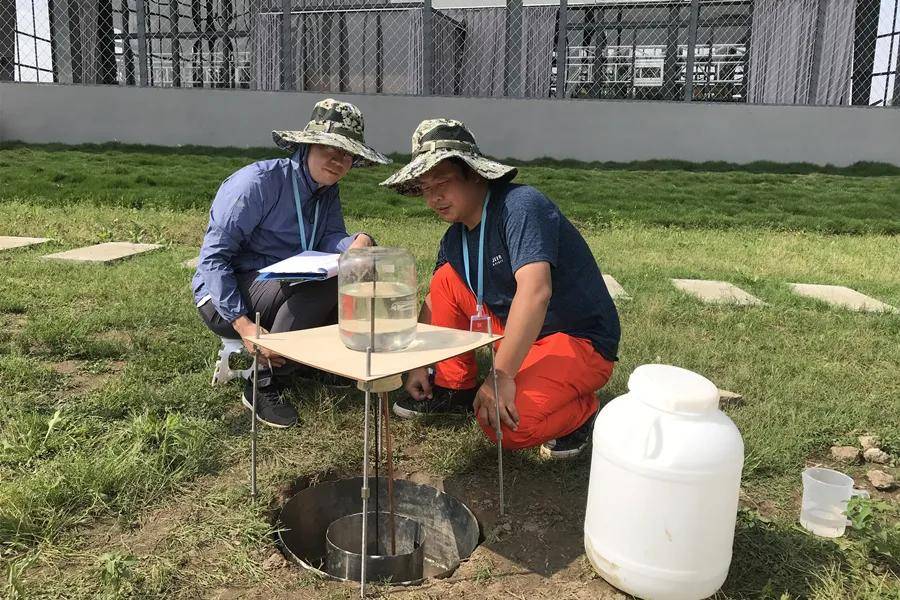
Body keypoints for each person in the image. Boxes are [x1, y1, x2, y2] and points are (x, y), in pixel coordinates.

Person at [380, 119, 620, 459]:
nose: (434, 197)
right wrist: (419, 363)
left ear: (475, 174)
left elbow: (536, 291)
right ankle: (454, 386)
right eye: (425, 187)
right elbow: (435, 300)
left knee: (504, 424)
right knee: (445, 279)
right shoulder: (454, 238)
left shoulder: (520, 206)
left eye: (443, 182)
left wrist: (501, 375)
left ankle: (586, 412)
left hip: (577, 339)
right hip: (519, 331)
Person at [192, 99, 390, 429]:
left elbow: (330, 237)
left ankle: (312, 364)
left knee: (357, 268)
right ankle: (264, 381)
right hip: (224, 298)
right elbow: (213, 260)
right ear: (307, 145)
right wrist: (244, 326)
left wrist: (359, 242)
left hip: (285, 282)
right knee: (326, 285)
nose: (338, 161)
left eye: (347, 154)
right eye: (329, 149)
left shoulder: (327, 190)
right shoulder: (256, 184)